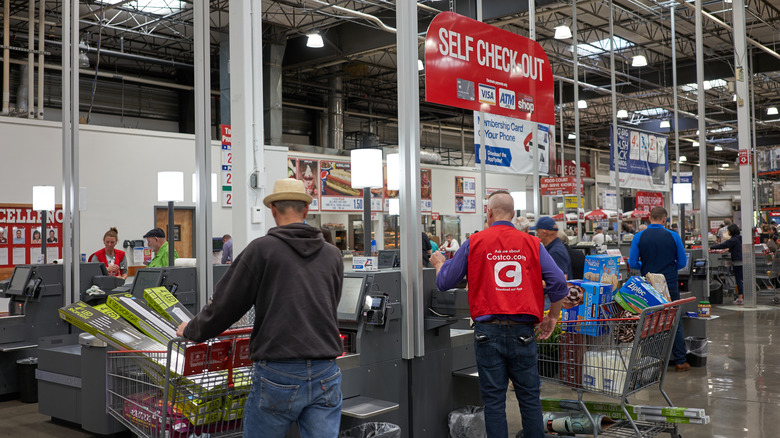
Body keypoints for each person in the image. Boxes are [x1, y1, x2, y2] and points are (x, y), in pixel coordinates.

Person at [176, 178, 343, 438]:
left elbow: (224, 307)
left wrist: (192, 330)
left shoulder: (262, 250)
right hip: (327, 372)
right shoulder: (333, 255)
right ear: (306, 211)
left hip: (278, 373)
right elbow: (330, 303)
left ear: (273, 209)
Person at [429, 191, 567, 438]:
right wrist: (552, 317)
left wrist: (439, 263)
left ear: (489, 212)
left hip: (487, 334)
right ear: (514, 215)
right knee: (529, 399)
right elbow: (558, 282)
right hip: (524, 333)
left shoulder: (475, 242)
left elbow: (445, 282)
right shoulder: (532, 244)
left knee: (493, 402)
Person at [628, 207, 690, 371]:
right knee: (674, 320)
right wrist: (669, 268)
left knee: (650, 322)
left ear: (649, 218)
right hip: (669, 284)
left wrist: (646, 266)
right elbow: (683, 262)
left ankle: (653, 362)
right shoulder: (673, 236)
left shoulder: (638, 236)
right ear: (664, 219)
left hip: (648, 285)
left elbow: (633, 263)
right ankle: (680, 361)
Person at [711, 224, 743, 304]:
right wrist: (728, 250)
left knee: (738, 279)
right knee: (740, 279)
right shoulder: (738, 238)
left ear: (731, 231)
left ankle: (740, 298)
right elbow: (734, 247)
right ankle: (740, 296)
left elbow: (723, 245)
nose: (727, 232)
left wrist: (712, 247)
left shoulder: (733, 240)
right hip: (740, 260)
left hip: (737, 261)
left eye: (728, 230)